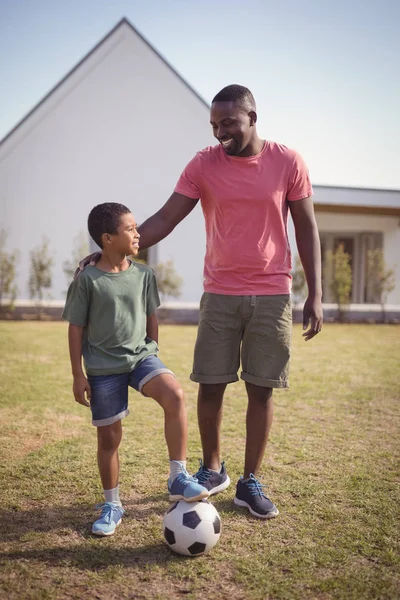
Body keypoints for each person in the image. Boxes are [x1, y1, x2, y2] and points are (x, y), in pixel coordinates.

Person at [77, 84, 323, 520]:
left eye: (227, 122)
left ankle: (249, 482)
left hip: (272, 293)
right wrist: (110, 251)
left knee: (261, 390)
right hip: (220, 292)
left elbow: (306, 227)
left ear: (252, 117)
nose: (219, 132)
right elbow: (166, 218)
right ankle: (212, 469)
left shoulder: (288, 162)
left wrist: (316, 294)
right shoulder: (203, 164)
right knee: (210, 385)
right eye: (213, 124)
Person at [63, 202, 208, 537]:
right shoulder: (88, 280)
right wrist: (77, 374)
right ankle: (112, 504)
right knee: (109, 437)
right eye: (130, 229)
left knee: (174, 394)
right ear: (108, 238)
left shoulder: (144, 274)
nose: (138, 233)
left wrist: (153, 349)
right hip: (103, 367)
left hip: (140, 357)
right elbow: (75, 328)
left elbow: (151, 317)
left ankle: (178, 476)